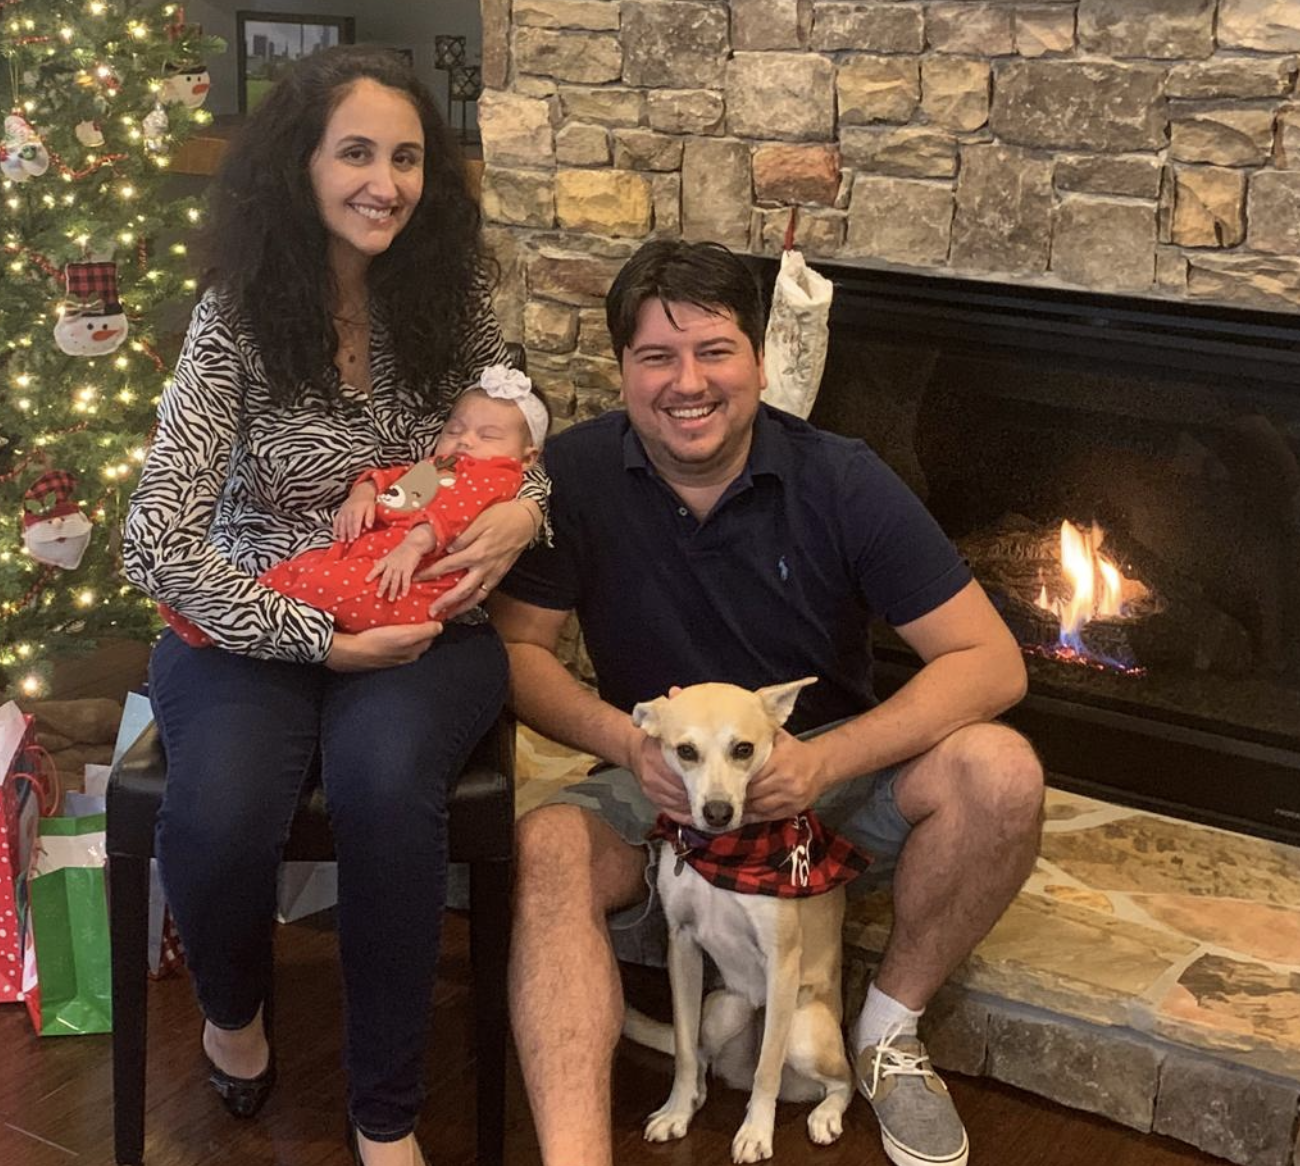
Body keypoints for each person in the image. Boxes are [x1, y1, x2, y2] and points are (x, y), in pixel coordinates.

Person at [490, 239, 1044, 1166]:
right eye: (656, 357)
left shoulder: (843, 478)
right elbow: (514, 651)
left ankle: (887, 1031)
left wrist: (825, 761)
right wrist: (627, 746)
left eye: (714, 351)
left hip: (825, 779)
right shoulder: (573, 476)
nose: (687, 383)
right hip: (662, 783)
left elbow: (991, 664)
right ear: (623, 369)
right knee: (547, 847)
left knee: (1002, 769)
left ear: (758, 358)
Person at [122, 46, 546, 1166]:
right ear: (298, 165)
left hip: (425, 623)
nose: (385, 183)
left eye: (407, 158)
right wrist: (319, 639)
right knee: (220, 812)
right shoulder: (235, 319)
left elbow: (515, 439)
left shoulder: (450, 301)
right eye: (356, 153)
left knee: (385, 784)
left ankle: (385, 1111)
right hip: (255, 613)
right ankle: (233, 1011)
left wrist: (523, 512)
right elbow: (154, 539)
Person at [157, 364, 549, 644]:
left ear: (528, 457)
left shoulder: (495, 474)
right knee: (301, 570)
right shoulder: (444, 466)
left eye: (488, 436)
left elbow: (456, 511)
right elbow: (399, 489)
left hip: (408, 586)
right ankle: (221, 611)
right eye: (454, 429)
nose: (465, 440)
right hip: (368, 561)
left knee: (316, 588)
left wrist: (414, 545)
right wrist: (365, 492)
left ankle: (224, 621)